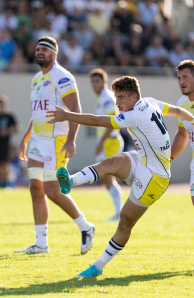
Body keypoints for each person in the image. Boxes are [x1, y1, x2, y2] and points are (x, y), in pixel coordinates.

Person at [46, 76, 194, 276]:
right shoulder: (151, 102)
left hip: (155, 178)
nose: (118, 103)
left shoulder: (134, 116)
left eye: (122, 98)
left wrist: (66, 115)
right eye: (116, 98)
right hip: (142, 160)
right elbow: (176, 111)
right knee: (110, 163)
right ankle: (71, 181)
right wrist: (192, 118)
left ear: (134, 97)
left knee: (125, 221)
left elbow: (96, 120)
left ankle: (98, 266)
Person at [15, 36, 94, 254]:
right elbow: (38, 113)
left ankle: (86, 227)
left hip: (56, 141)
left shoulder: (62, 76)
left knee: (53, 190)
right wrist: (25, 138)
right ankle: (41, 244)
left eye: (44, 49)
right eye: (37, 49)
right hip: (38, 141)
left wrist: (71, 139)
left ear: (54, 53)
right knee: (35, 188)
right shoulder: (36, 78)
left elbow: (75, 108)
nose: (39, 52)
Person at [89, 68, 123, 221]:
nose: (94, 84)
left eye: (97, 81)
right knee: (106, 179)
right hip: (107, 142)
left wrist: (101, 142)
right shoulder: (101, 97)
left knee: (108, 178)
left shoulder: (106, 97)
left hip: (110, 142)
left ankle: (119, 213)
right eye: (93, 82)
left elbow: (113, 121)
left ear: (104, 82)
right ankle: (119, 211)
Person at [171, 60, 194, 205]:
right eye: (179, 78)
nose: (181, 81)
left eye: (185, 77)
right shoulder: (181, 103)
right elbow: (182, 134)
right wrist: (168, 159)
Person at [0, 95, 19, 188]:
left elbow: (17, 128)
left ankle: (7, 183)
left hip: (5, 144)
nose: (1, 105)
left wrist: (7, 131)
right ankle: (0, 183)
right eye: (0, 103)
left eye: (3, 103)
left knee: (6, 164)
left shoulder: (10, 116)